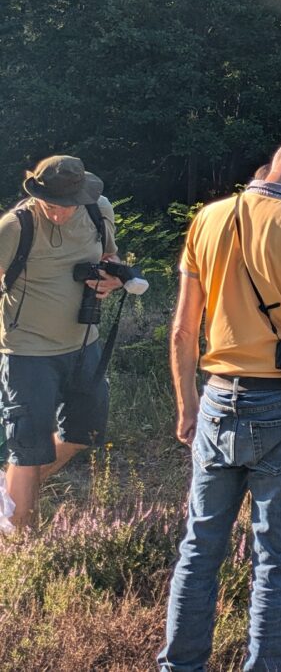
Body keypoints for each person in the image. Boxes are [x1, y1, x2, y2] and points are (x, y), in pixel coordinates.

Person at [160, 137, 281, 671]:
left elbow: (182, 329)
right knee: (276, 563)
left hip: (219, 396)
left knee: (198, 550)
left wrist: (187, 404)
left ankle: (179, 666)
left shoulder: (210, 217)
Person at [0, 155, 125, 529]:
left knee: (84, 433)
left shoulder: (97, 210)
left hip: (84, 344)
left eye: (66, 206)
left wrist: (113, 280)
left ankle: (7, 498)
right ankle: (20, 539)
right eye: (51, 206)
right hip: (27, 352)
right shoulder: (15, 226)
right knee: (27, 447)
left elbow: (110, 257)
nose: (59, 214)